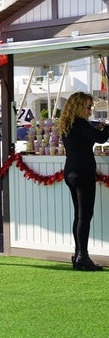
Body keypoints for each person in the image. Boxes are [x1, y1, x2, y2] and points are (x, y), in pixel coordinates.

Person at [59, 91, 109, 271]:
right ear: (79, 106)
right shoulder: (80, 123)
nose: (90, 111)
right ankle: (82, 257)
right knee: (84, 216)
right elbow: (103, 138)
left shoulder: (69, 123)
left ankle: (79, 254)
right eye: (88, 107)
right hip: (83, 173)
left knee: (79, 216)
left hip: (71, 171)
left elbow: (83, 139)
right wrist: (106, 128)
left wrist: (97, 129)